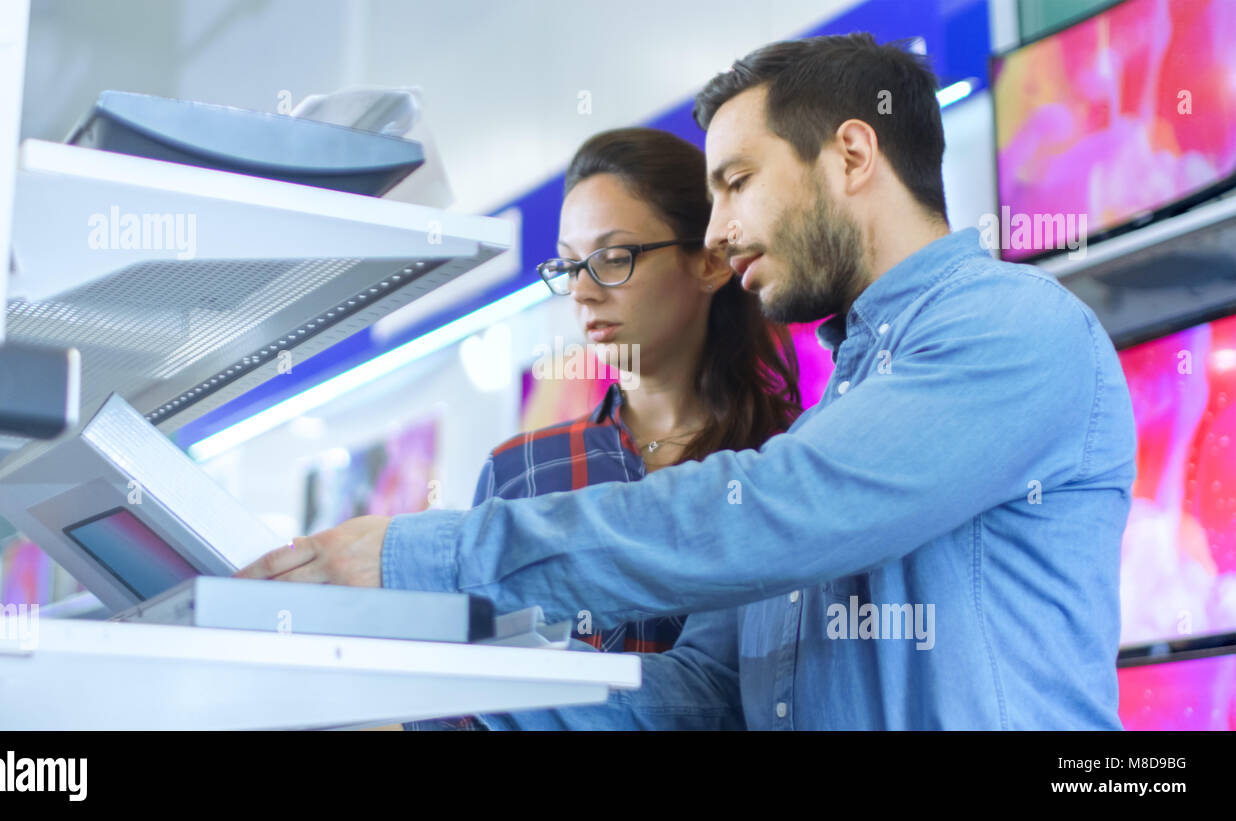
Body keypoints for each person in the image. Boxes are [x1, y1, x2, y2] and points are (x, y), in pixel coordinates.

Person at [238, 33, 1137, 730]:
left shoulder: (1010, 328)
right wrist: (431, 649)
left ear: (854, 156)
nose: (719, 232)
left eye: (738, 182)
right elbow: (697, 695)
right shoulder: (831, 415)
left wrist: (424, 559)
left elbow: (777, 511)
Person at [405, 126, 802, 730]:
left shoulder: (789, 460)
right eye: (568, 266)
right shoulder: (524, 471)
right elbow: (465, 700)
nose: (583, 293)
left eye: (613, 258)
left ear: (709, 261)